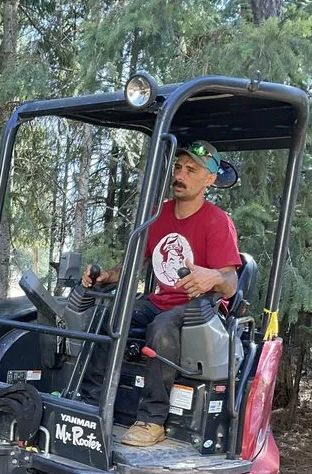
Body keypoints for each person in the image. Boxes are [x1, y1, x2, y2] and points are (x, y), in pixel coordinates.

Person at [80, 141, 242, 447]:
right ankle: (91, 404)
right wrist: (106, 277)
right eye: (178, 167)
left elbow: (230, 283)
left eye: (191, 170)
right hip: (161, 302)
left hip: (201, 307)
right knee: (113, 315)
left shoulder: (218, 222)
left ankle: (152, 420)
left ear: (209, 179)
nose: (180, 175)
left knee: (162, 327)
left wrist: (211, 277)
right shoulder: (159, 215)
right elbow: (133, 263)